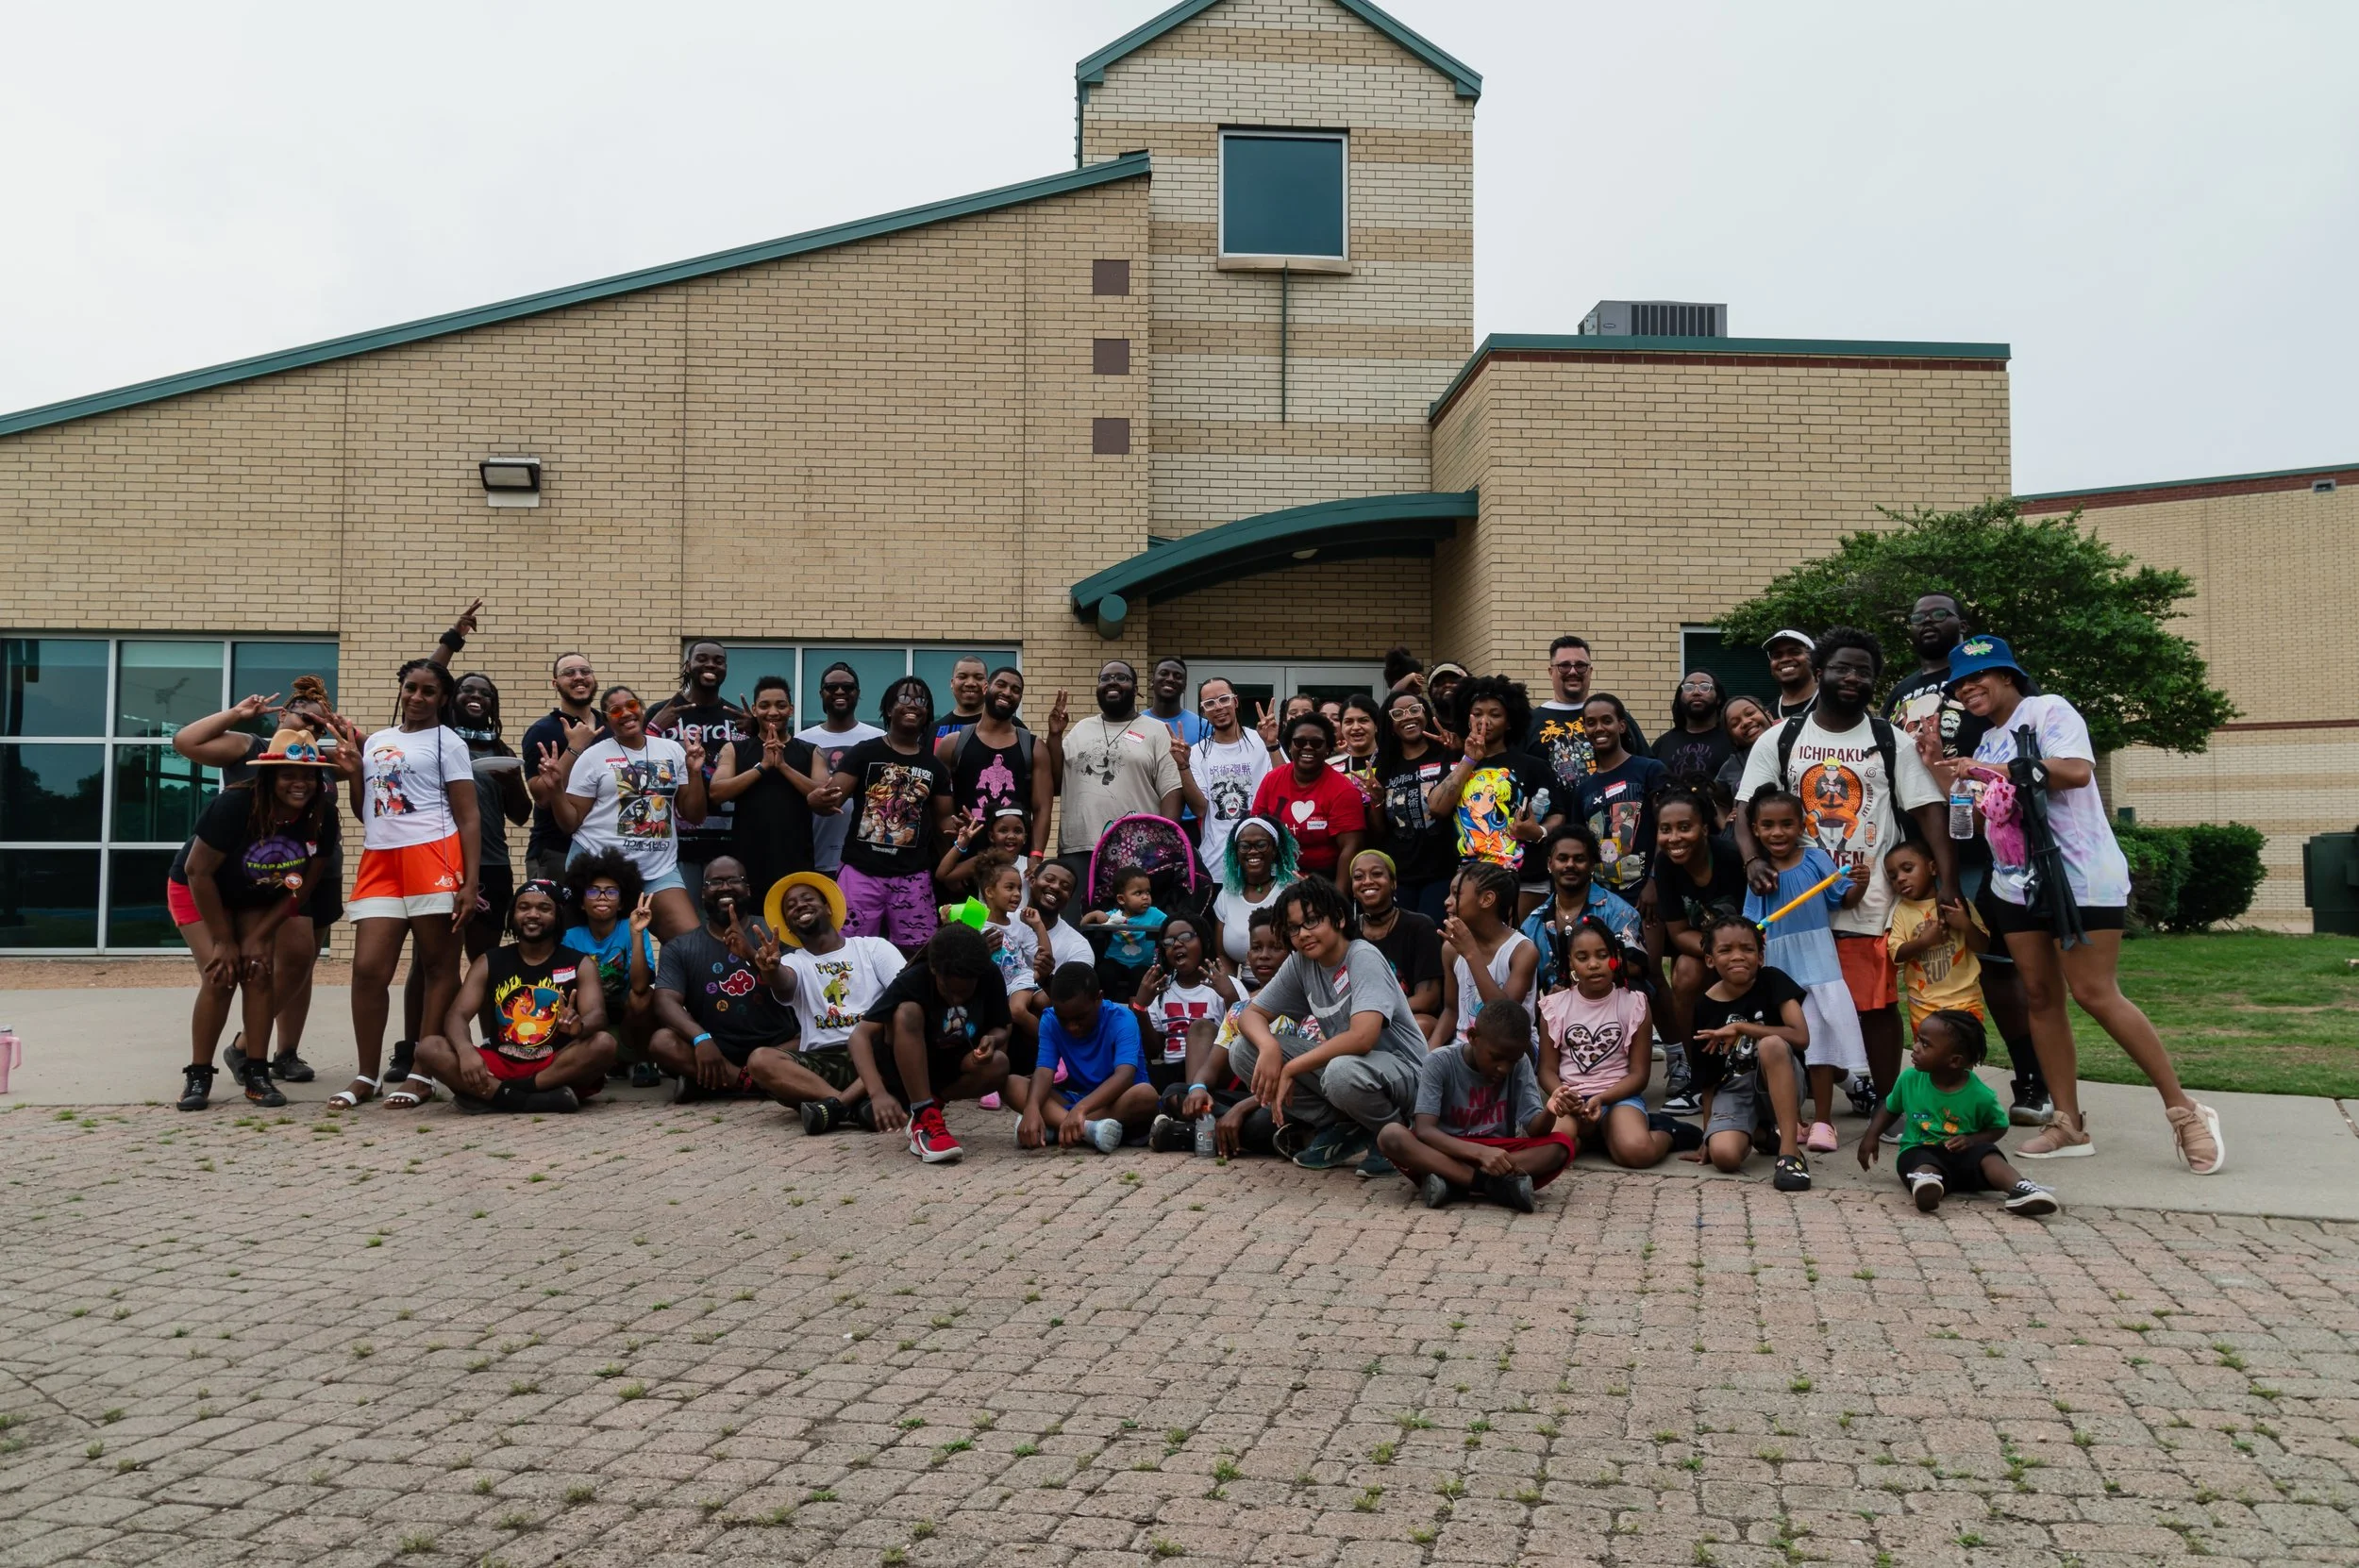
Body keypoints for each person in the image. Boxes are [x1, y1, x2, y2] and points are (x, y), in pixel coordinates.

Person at [1938, 634, 2222, 1172]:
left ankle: (2185, 1112)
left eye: (1979, 677)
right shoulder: (1990, 741)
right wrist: (1952, 776)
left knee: (2094, 992)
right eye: (1960, 684)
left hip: (2079, 875)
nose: (1968, 689)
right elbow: (1984, 819)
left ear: (2006, 676)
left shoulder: (2048, 711)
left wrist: (1989, 772)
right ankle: (2066, 1121)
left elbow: (2074, 772)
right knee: (2041, 997)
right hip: (2015, 883)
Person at [1736, 627, 1952, 1107]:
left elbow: (1928, 812)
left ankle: (1888, 1102)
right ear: (1819, 673)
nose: (1853, 677)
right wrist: (1753, 860)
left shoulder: (1888, 739)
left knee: (1874, 1006)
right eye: (1842, 668)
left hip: (1868, 899)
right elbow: (1746, 810)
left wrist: (1947, 884)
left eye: (1864, 671)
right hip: (1795, 902)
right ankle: (1793, 1106)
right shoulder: (1782, 737)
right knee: (1796, 1004)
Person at [1884, 592, 2049, 1125]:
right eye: (1918, 616)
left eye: (1939, 615)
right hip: (1915, 849)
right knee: (1917, 964)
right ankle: (1926, 1089)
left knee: (1997, 967)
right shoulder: (1902, 691)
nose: (1927, 623)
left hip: (1984, 847)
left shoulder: (1985, 682)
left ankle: (2032, 1078)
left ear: (1963, 624)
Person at [167, 676, 349, 1086]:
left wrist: (346, 735)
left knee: (295, 963)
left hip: (296, 877)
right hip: (225, 877)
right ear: (282, 713)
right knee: (228, 971)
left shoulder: (319, 765)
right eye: (304, 718)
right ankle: (210, 1068)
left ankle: (275, 1054)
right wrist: (237, 712)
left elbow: (378, 768)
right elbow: (184, 742)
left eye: (321, 726)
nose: (311, 729)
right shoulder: (250, 753)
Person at [342, 658, 481, 1110]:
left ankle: (423, 1071)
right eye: (411, 688)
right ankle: (366, 1074)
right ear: (400, 690)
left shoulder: (450, 742)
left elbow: (468, 815)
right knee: (368, 969)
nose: (417, 698)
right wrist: (350, 776)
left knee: (438, 967)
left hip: (434, 856)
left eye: (428, 691)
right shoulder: (378, 741)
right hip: (380, 859)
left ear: (442, 698)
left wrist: (469, 881)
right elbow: (366, 810)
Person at [1230, 876, 1428, 1174]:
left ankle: (1396, 1134)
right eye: (1294, 927)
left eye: (1312, 921)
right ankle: (1346, 1126)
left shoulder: (1361, 956)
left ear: (1336, 918)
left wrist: (1292, 1067)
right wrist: (1269, 1046)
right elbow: (1250, 1015)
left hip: (1406, 1076)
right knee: (1243, 1050)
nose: (1303, 934)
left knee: (1340, 1071)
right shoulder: (1301, 962)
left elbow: (1363, 1037)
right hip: (1352, 1072)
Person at [1741, 783, 1871, 1154]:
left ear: (1802, 826)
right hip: (1781, 964)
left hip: (1817, 958)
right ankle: (1792, 1120)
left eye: (1786, 824)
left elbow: (1841, 898)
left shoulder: (1815, 860)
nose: (1777, 832)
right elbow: (1753, 923)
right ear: (1755, 830)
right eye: (1768, 825)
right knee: (1785, 1043)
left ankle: (1825, 1122)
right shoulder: (1760, 872)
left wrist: (1860, 885)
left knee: (1820, 1041)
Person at [413, 878, 616, 1114]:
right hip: (501, 1062)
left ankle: (502, 1095)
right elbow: (457, 1015)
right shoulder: (489, 961)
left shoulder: (579, 963)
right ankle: (537, 1100)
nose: (532, 914)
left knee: (604, 1043)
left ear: (558, 916)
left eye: (544, 908)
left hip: (556, 1064)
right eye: (523, 907)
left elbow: (598, 1015)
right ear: (512, 915)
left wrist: (579, 1026)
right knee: (429, 1048)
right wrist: (466, 1050)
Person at [1375, 999, 1573, 1212]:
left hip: (1496, 1153)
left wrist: (1550, 1111)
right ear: (1473, 1037)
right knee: (1391, 1135)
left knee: (1560, 1147)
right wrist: (1480, 1154)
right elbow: (1425, 1130)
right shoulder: (1439, 1061)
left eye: (1512, 1061)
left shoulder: (1521, 1062)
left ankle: (1451, 1181)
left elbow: (1535, 1129)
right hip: (1446, 1149)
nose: (1504, 1068)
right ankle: (1491, 1185)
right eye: (1496, 1058)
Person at [543, 684, 704, 942]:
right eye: (616, 711)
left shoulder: (671, 750)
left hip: (657, 870)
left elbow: (694, 815)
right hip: (599, 867)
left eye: (631, 706)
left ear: (641, 707)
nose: (626, 714)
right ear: (607, 719)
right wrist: (556, 791)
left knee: (692, 945)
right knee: (601, 953)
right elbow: (570, 823)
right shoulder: (593, 756)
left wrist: (694, 772)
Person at [1860, 1009, 2060, 1217]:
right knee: (1918, 1159)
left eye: (1925, 1044)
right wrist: (1871, 1136)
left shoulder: (1980, 1094)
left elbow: (1998, 1126)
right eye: (1918, 1040)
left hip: (1964, 1156)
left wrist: (1972, 1140)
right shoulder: (1910, 1079)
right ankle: (1926, 1184)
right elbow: (1890, 1109)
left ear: (1954, 1061)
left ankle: (2022, 1189)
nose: (1915, 1048)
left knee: (1989, 1155)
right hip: (1921, 1148)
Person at [847, 923, 1012, 1164]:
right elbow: (858, 1036)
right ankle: (924, 1114)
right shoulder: (915, 979)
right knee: (907, 1011)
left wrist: (993, 1039)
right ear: (935, 971)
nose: (956, 999)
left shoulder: (988, 972)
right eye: (949, 990)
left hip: (953, 1066)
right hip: (906, 1068)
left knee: (999, 1064)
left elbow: (1003, 1025)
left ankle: (927, 1109)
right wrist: (878, 1093)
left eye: (965, 992)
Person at [1538, 917, 1689, 1168]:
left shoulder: (1634, 1003)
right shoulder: (1554, 1008)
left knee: (1636, 1153)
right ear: (1570, 962)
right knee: (1555, 1153)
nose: (1594, 964)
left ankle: (1668, 1134)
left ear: (1616, 958)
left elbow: (1639, 1076)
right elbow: (1546, 1069)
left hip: (1619, 1097)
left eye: (1602, 955)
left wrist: (1602, 1098)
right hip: (1571, 1099)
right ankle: (1598, 1138)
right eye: (1583, 957)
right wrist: (1562, 1095)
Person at [765, 872, 908, 1132]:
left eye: (807, 898)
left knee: (903, 1021)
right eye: (791, 906)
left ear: (828, 908)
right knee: (761, 1060)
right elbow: (785, 986)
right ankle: (852, 1107)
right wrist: (770, 969)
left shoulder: (874, 948)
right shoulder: (792, 961)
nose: (799, 905)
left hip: (875, 1052)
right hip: (822, 1061)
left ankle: (834, 1107)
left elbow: (907, 995)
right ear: (787, 925)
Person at [646, 858, 797, 1101]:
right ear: (703, 892)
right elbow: (665, 1001)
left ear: (748, 889)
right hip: (714, 1047)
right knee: (662, 1042)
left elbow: (792, 988)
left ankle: (720, 1082)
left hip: (778, 1044)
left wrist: (750, 953)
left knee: (815, 1040)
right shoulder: (681, 946)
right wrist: (700, 1038)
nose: (725, 887)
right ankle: (757, 1083)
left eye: (733, 881)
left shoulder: (775, 934)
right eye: (715, 882)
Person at [1681, 915, 1813, 1192]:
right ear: (1710, 960)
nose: (1737, 957)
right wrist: (1708, 1133)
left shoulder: (1773, 980)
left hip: (1779, 1079)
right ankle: (1763, 1135)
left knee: (1771, 1044)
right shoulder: (1704, 1006)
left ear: (1760, 956)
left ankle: (1790, 1153)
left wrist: (1741, 1027)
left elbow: (1801, 1037)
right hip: (1734, 1089)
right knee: (1724, 1157)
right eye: (1726, 950)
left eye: (1747, 949)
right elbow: (1707, 1078)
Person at [828, 676, 954, 955]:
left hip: (912, 876)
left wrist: (958, 831)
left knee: (919, 952)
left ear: (927, 714)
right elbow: (832, 796)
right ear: (888, 709)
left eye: (921, 701)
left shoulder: (934, 767)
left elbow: (945, 820)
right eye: (904, 699)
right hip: (861, 871)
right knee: (849, 951)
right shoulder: (865, 752)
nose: (913, 705)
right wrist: (819, 798)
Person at [1647, 786, 1748, 1116]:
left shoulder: (1731, 858)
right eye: (1666, 829)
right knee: (1685, 974)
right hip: (1707, 947)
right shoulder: (1665, 866)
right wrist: (1717, 954)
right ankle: (1697, 1074)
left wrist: (1733, 954)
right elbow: (1677, 933)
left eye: (1684, 827)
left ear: (1704, 828)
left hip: (1749, 946)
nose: (1675, 838)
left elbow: (1752, 919)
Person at [1048, 661, 1182, 882]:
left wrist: (1164, 846)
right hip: (1079, 847)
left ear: (1136, 689)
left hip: (1138, 848)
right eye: (1105, 678)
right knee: (1078, 917)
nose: (1112, 682)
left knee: (1131, 917)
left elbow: (1172, 790)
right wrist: (1054, 736)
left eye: (1122, 678)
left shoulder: (1156, 730)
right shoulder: (1081, 728)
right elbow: (1055, 783)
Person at [1428, 676, 1558, 895]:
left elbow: (1558, 814)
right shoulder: (1458, 763)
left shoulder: (1533, 766)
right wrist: (1469, 760)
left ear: (1509, 722)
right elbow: (1436, 807)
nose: (1484, 721)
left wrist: (1539, 831)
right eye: (1477, 714)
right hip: (1468, 880)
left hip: (1523, 880)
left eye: (1494, 714)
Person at [1013, 962, 1160, 1153]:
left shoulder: (1123, 1018)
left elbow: (1125, 1076)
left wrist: (1081, 1109)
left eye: (1080, 1018)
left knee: (1146, 1095)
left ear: (1098, 998)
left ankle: (1059, 1128)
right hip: (1076, 1098)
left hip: (1116, 1100)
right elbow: (1044, 1071)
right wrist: (1031, 1109)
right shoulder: (1049, 1019)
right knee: (1012, 1084)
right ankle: (1089, 1130)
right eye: (1063, 1019)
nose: (1072, 1027)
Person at [708, 675, 825, 906]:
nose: (773, 712)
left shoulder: (811, 751)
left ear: (791, 709)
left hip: (796, 860)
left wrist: (782, 766)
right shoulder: (734, 749)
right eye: (764, 705)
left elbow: (825, 797)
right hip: (747, 862)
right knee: (749, 931)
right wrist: (762, 767)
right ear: (754, 709)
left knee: (794, 932)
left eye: (780, 705)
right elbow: (717, 792)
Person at [647, 641, 748, 904]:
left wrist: (756, 732)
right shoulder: (661, 714)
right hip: (673, 848)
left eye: (718, 660)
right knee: (683, 931)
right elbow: (637, 768)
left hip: (729, 845)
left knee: (727, 927)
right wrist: (653, 728)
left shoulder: (737, 718)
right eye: (702, 658)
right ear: (687, 666)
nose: (710, 665)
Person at [937, 665, 1053, 869]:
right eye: (1001, 685)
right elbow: (940, 812)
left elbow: (1042, 808)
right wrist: (949, 859)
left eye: (1016, 690)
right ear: (985, 688)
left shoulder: (1034, 747)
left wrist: (1036, 856)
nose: (1007, 692)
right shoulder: (952, 744)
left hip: (1014, 866)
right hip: (965, 863)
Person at [560, 849, 660, 1086]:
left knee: (644, 997)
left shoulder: (633, 927)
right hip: (590, 1015)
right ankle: (608, 1062)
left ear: (622, 902)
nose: (602, 896)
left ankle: (643, 1062)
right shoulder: (570, 937)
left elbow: (640, 985)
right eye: (593, 891)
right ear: (582, 903)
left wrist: (636, 935)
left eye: (611, 891)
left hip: (628, 1017)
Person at [1131, 912, 1239, 1129]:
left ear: (1204, 940)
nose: (1177, 944)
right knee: (1157, 1088)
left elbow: (1243, 1038)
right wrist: (1140, 1008)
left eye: (1186, 937)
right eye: (1169, 942)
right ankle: (1197, 1121)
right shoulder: (1161, 990)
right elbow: (1152, 1051)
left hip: (1214, 1071)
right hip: (1174, 1073)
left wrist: (1230, 998)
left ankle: (1185, 1114)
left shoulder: (1228, 984)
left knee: (1200, 1027)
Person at [1883, 840, 1989, 1031]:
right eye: (1893, 876)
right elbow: (1896, 954)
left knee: (1962, 1055)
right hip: (1924, 1006)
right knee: (1928, 1058)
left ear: (1933, 868)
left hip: (1965, 1001)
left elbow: (1983, 946)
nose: (1900, 878)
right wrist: (1924, 942)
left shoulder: (1957, 904)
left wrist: (1965, 924)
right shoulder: (1901, 912)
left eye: (1907, 868)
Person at [1372, 688, 1459, 921]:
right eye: (1398, 713)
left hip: (1442, 870)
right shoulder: (1386, 767)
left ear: (1426, 714)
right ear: (1390, 725)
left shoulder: (1446, 755)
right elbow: (1380, 830)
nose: (1407, 717)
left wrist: (1456, 753)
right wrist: (1377, 799)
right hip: (1401, 874)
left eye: (1414, 710)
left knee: (1432, 933)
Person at [1433, 860, 1538, 1052]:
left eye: (1456, 894)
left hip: (1513, 1046)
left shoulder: (1522, 950)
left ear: (1486, 899)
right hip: (1465, 1047)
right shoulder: (1450, 949)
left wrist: (1472, 954)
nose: (1447, 901)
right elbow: (1451, 1010)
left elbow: (1504, 1017)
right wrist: (1429, 1053)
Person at [1519, 823, 1643, 983]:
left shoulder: (1618, 912)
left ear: (1592, 865)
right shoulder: (1533, 924)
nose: (1570, 864)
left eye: (1579, 859)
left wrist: (1575, 986)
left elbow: (1634, 966)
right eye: (1562, 858)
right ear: (1550, 864)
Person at [1249, 712, 1365, 880]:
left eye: (1317, 743)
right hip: (1277, 875)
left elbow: (1350, 848)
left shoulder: (1343, 790)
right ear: (1289, 745)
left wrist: (1337, 898)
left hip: (1324, 879)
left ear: (1328, 749)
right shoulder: (1272, 780)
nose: (1308, 747)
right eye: (1300, 742)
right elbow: (1256, 829)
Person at [520, 651, 603, 881]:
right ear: (555, 683)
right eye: (569, 673)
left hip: (606, 848)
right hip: (556, 851)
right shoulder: (543, 731)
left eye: (585, 671)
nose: (578, 677)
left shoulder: (610, 727)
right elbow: (544, 798)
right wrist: (574, 749)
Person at [1574, 693, 1666, 898]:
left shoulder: (1650, 770)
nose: (1599, 728)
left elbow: (1666, 828)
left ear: (1622, 726)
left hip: (1647, 895)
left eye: (1607, 720)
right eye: (1591, 723)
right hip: (1602, 899)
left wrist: (1654, 879)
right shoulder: (1583, 790)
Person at [1185, 676, 1275, 876]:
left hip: (1263, 860)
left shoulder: (1261, 740)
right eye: (1210, 703)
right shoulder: (1197, 754)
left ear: (1235, 701)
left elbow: (1285, 784)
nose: (1218, 707)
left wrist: (1272, 745)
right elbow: (1201, 810)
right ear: (1203, 711)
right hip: (1216, 865)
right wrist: (1182, 767)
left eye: (1223, 699)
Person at [795, 662, 877, 876]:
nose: (840, 692)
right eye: (831, 687)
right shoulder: (801, 740)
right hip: (814, 851)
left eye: (848, 687)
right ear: (821, 693)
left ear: (858, 693)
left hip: (866, 856)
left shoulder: (878, 739)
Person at [1348, 850, 1443, 1029]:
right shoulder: (1347, 931)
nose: (1367, 881)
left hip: (1402, 1020)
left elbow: (1428, 1000)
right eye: (1358, 877)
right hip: (1355, 1020)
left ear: (1393, 883)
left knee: (1424, 1025)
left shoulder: (1420, 926)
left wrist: (1375, 1014)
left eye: (1376, 874)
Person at [1212, 815, 1294, 974]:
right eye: (1244, 846)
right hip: (1242, 991)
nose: (1253, 851)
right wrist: (1236, 992)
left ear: (1275, 850)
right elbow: (1223, 955)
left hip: (1288, 986)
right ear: (1235, 852)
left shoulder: (1290, 891)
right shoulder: (1226, 894)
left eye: (1261, 845)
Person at [1078, 865, 1167, 1003]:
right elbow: (1083, 925)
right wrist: (1095, 914)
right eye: (1138, 893)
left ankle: (1136, 1008)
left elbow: (1172, 924)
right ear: (1121, 899)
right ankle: (1107, 1004)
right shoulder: (1113, 916)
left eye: (1148, 892)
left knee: (1143, 975)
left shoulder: (1154, 915)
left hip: (1142, 964)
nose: (1145, 897)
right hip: (1115, 962)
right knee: (1105, 971)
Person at [1656, 671, 1733, 784]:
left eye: (1705, 687)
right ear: (1680, 697)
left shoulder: (1733, 740)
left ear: (1718, 699)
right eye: (1689, 688)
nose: (1696, 692)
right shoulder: (1662, 744)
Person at [1713, 695, 1772, 808]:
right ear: (1733, 739)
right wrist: (1726, 820)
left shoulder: (1795, 746)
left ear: (1768, 715)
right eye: (1735, 723)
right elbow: (1714, 798)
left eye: (1750, 713)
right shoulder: (1732, 765)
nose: (1745, 722)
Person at [1328, 692, 1383, 809]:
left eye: (1363, 720)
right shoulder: (1333, 770)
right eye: (1348, 722)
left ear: (1376, 725)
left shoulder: (1392, 763)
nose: (1356, 727)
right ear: (1342, 728)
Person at [1762, 629, 1818, 717]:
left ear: (1812, 656)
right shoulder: (1768, 716)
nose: (1785, 659)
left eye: (1795, 652)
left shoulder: (1834, 702)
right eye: (1777, 655)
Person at [934, 654, 990, 740]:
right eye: (962, 677)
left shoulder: (1008, 726)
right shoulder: (934, 729)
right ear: (952, 683)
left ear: (987, 685)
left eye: (978, 678)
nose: (970, 683)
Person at [1424, 661, 1468, 750]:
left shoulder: (1481, 724)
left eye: (1454, 681)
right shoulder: (1425, 729)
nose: (1447, 685)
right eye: (1439, 683)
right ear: (1430, 692)